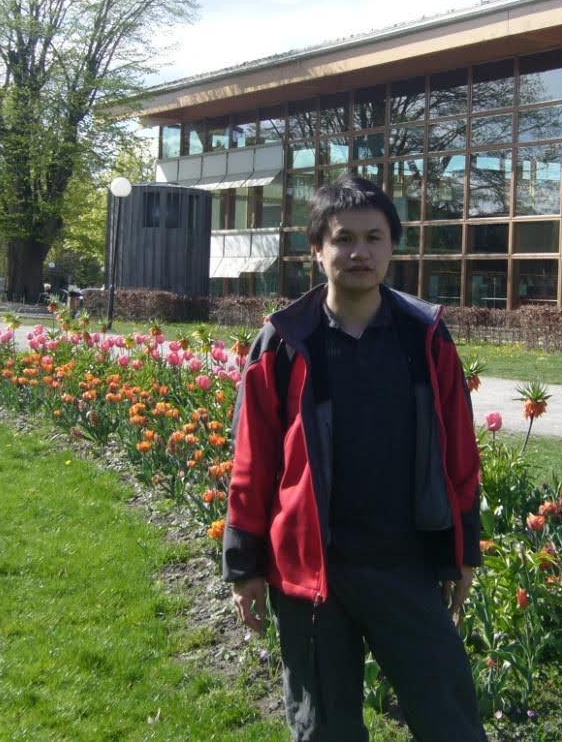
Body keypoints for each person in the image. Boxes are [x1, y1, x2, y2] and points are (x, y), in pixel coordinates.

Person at [223, 172, 487, 742]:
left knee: (450, 719)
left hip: (405, 565)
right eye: (344, 239)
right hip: (310, 574)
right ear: (317, 250)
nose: (359, 252)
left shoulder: (425, 337)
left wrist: (463, 551)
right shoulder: (285, 341)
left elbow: (461, 455)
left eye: (373, 237)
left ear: (392, 247)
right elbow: (252, 461)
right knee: (324, 728)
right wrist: (243, 566)